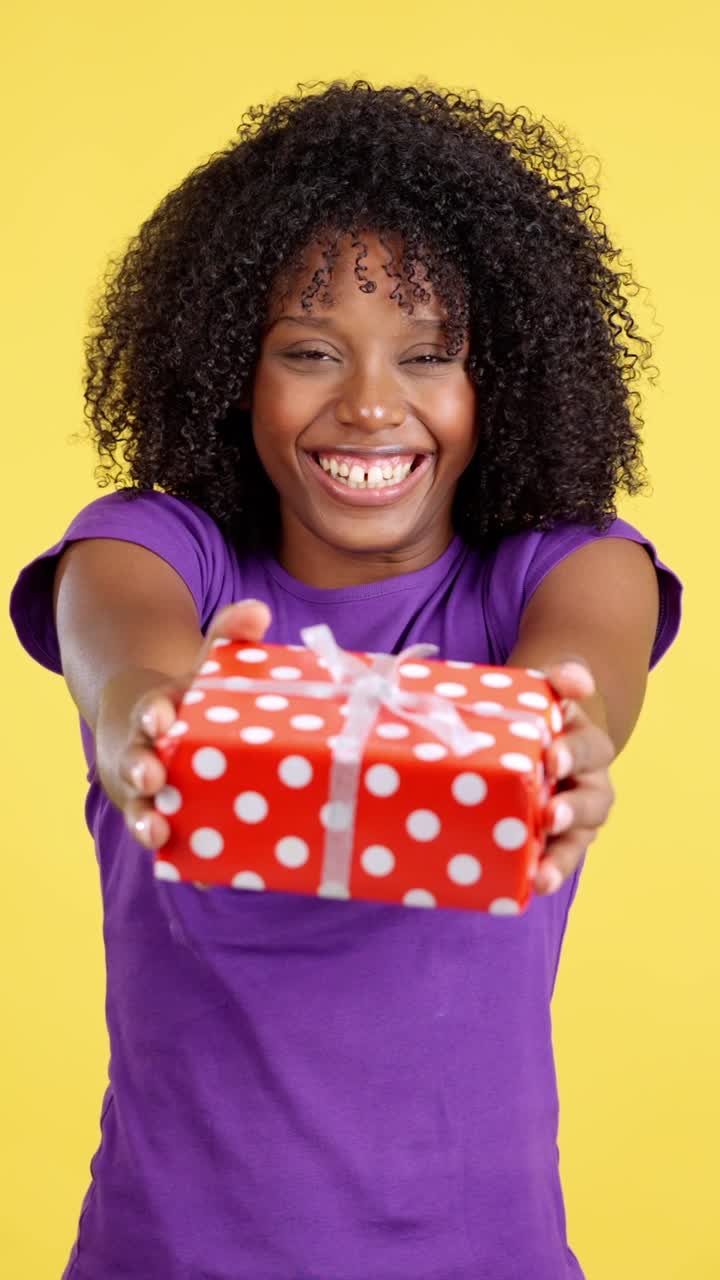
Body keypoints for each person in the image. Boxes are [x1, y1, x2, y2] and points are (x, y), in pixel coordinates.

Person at [10, 82, 683, 1279]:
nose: (371, 404)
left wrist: (563, 747)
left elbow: (585, 674)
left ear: (511, 381)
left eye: (430, 356)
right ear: (229, 368)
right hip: (167, 1256)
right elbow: (118, 628)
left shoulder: (555, 571)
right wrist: (140, 713)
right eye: (308, 352)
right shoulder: (167, 552)